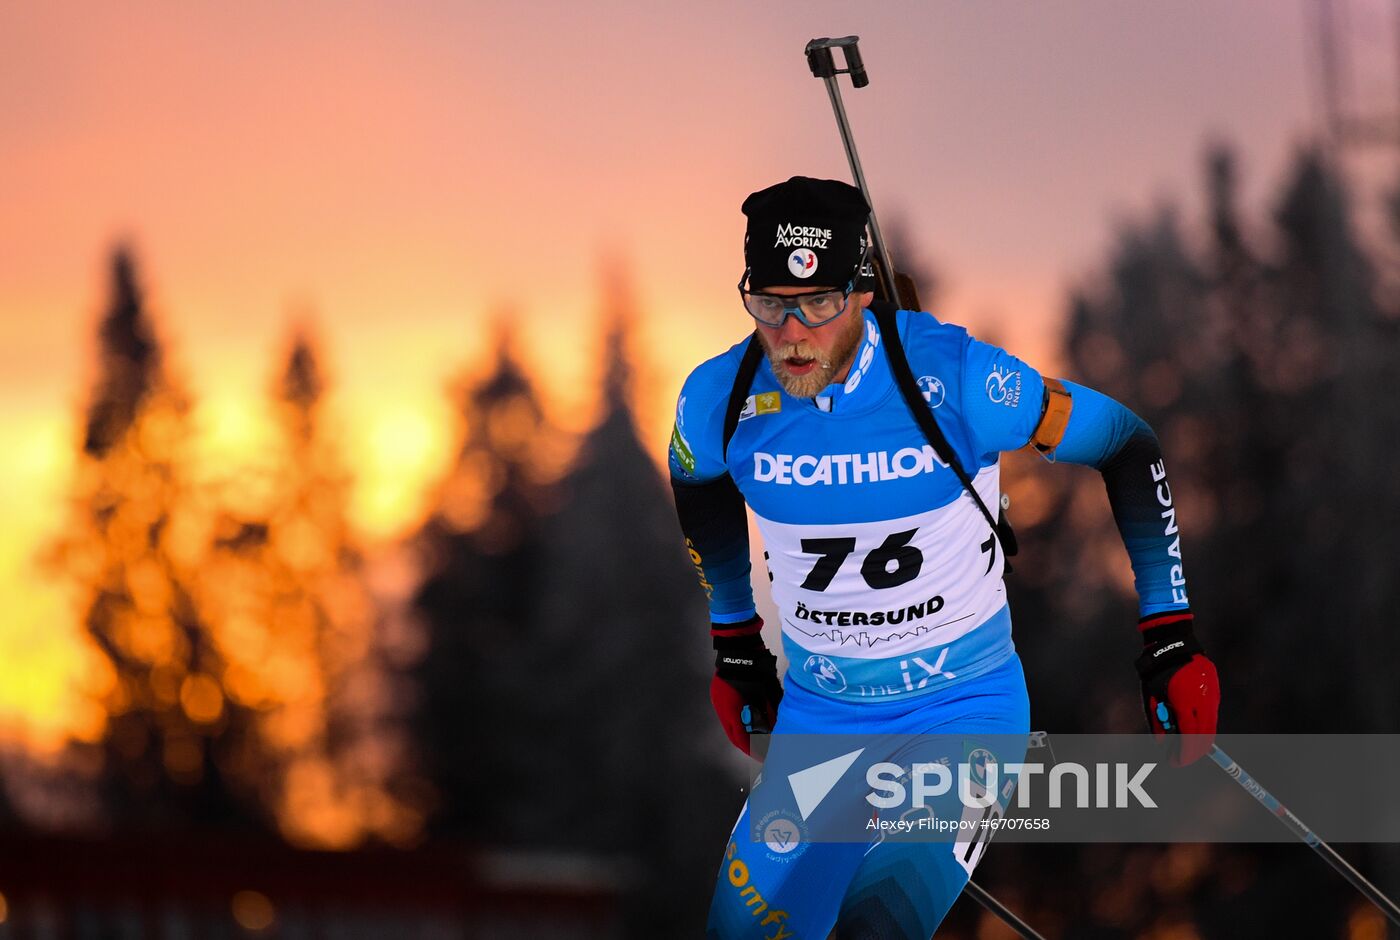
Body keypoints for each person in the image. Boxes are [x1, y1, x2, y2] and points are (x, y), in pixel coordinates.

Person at [669, 176, 1220, 939]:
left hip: (959, 713)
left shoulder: (957, 380)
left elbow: (1127, 443)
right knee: (739, 930)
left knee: (877, 927)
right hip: (821, 721)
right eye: (769, 304)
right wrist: (735, 643)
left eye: (820, 303)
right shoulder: (720, 398)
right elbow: (698, 487)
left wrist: (1169, 633)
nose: (793, 333)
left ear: (862, 293)